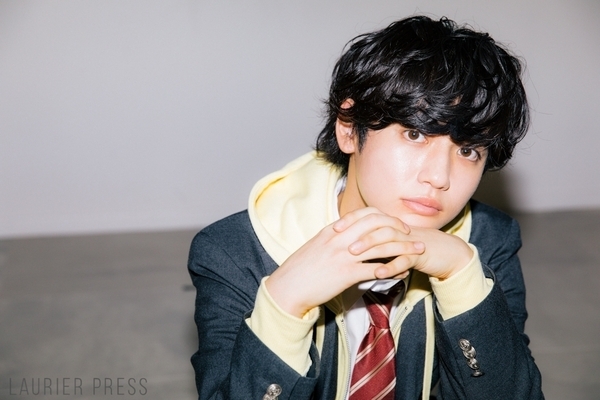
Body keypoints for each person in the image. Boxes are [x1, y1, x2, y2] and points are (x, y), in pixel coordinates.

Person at [188, 15, 544, 400]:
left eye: (468, 150)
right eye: (415, 134)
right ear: (348, 128)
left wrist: (460, 274)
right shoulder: (234, 253)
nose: (439, 177)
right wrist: (284, 305)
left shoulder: (487, 240)